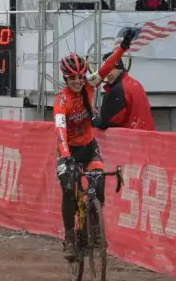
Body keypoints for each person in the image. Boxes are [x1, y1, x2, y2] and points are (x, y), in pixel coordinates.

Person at [55, 28, 137, 260]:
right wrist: (65, 154)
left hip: (90, 147)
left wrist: (123, 48)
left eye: (81, 77)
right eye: (73, 79)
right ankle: (70, 238)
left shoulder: (90, 85)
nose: (78, 82)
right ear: (66, 79)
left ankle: (95, 225)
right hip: (68, 151)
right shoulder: (61, 101)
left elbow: (107, 67)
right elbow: (60, 130)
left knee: (98, 182)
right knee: (69, 189)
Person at [92, 52, 156, 131]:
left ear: (118, 68)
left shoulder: (118, 89)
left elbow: (107, 122)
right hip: (148, 136)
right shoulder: (134, 83)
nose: (107, 74)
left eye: (109, 70)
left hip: (132, 139)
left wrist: (93, 119)